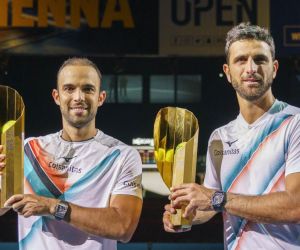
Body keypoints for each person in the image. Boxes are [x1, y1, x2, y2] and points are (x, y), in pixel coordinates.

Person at [163, 23, 300, 249]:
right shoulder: (219, 137)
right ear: (227, 72)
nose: (251, 68)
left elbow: (296, 205)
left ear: (274, 68)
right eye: (241, 60)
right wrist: (185, 215)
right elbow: (210, 205)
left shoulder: (293, 123)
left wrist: (218, 198)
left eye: (260, 59)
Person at [0, 57, 143, 250]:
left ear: (100, 98)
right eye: (69, 88)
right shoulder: (27, 149)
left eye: (87, 89)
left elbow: (123, 227)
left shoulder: (122, 156)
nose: (78, 97)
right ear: (56, 96)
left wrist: (52, 207)